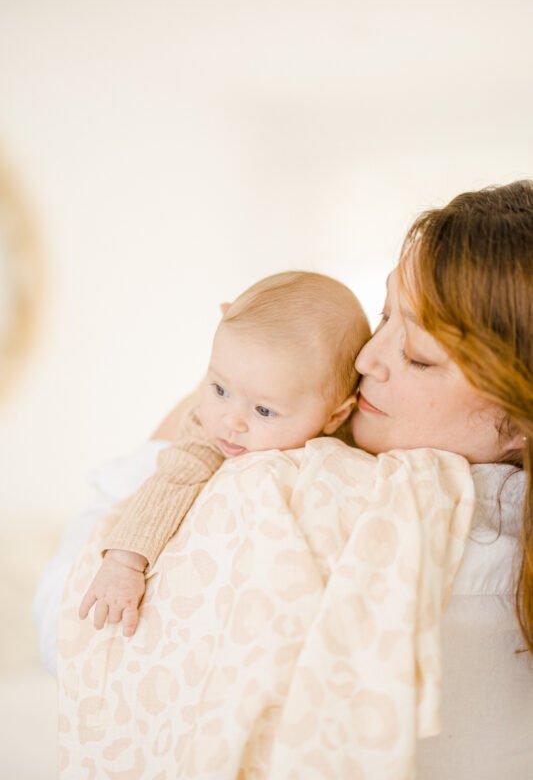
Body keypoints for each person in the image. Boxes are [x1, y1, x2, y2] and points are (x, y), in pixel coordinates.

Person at [37, 180, 533, 777]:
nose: (366, 359)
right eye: (383, 315)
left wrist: (188, 420)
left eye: (418, 357)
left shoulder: (292, 496)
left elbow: (69, 628)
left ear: (520, 419)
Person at [78, 271, 371, 637]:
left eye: (263, 410)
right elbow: (173, 481)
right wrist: (124, 563)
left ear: (335, 416)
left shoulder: (350, 441)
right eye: (218, 389)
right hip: (128, 481)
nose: (230, 420)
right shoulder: (205, 430)